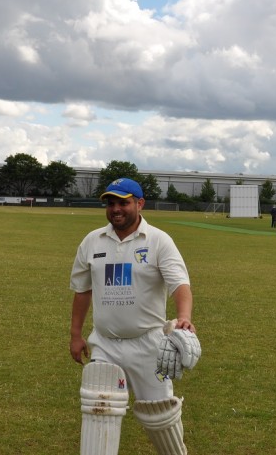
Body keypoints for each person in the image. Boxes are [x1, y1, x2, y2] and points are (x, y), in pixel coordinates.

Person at [69, 178, 198, 455]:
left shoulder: (159, 240)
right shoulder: (92, 241)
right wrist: (76, 335)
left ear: (140, 204)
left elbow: (180, 284)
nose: (116, 209)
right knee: (98, 410)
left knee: (161, 418)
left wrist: (184, 317)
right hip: (105, 344)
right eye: (111, 203)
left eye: (123, 203)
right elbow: (82, 291)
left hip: (149, 345)